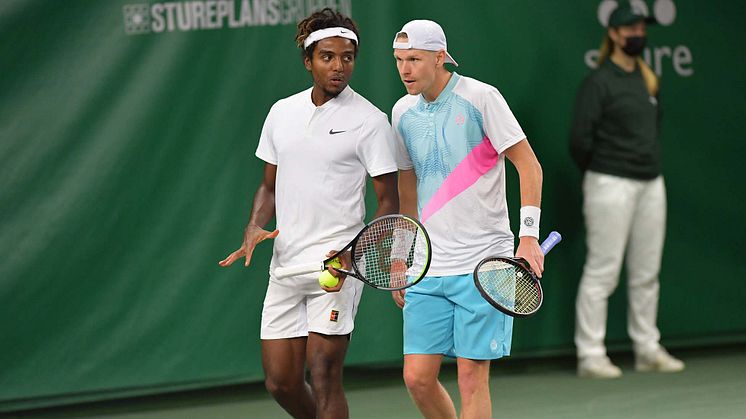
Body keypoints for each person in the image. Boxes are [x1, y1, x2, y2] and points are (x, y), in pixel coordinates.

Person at [218, 8, 399, 418]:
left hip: (337, 265)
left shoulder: (371, 122)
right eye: (328, 57)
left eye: (348, 57)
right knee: (281, 382)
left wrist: (356, 255)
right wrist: (253, 226)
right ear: (308, 60)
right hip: (286, 264)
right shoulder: (281, 113)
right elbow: (269, 186)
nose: (339, 67)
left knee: (323, 373)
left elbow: (389, 202)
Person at [390, 19, 544, 419]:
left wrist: (528, 237)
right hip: (428, 265)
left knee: (471, 380)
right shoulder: (402, 112)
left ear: (440, 58)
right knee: (417, 378)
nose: (405, 69)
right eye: (399, 60)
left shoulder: (481, 97)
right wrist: (401, 254)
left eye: (415, 60)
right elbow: (408, 190)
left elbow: (529, 166)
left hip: (483, 264)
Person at [570, 1, 685, 379]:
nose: (638, 35)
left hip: (651, 182)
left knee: (646, 272)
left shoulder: (648, 78)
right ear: (614, 34)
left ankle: (647, 348)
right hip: (609, 182)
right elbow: (579, 140)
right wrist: (606, 171)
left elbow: (657, 126)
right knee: (603, 270)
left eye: (641, 29)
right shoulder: (598, 82)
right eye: (630, 29)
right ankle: (590, 354)